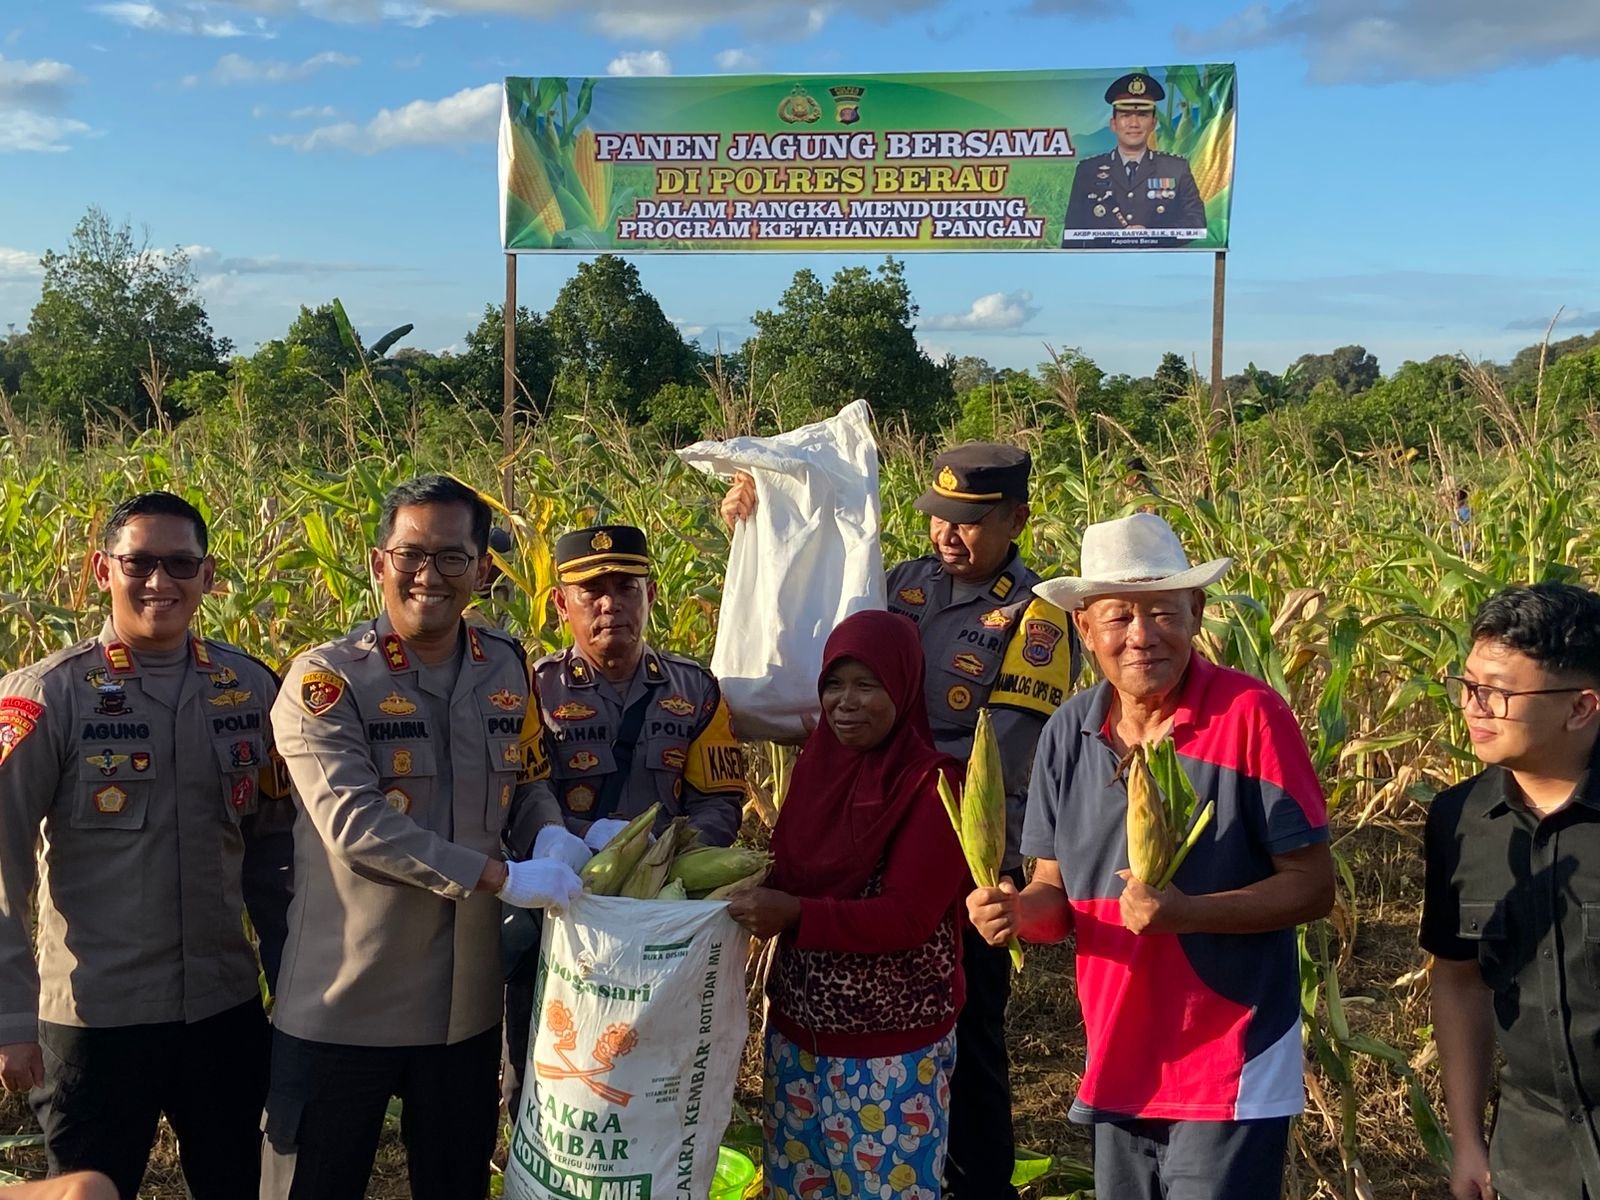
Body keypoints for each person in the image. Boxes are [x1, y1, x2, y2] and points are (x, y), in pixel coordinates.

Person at [724, 442, 1076, 1198]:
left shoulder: (1037, 614)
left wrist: (909, 781)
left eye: (971, 521)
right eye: (939, 516)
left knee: (970, 1038)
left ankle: (977, 1185)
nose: (949, 533)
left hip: (967, 852)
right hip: (863, 813)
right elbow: (812, 614)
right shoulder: (901, 584)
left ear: (1017, 518)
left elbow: (1002, 755)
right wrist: (761, 529)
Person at [968, 512, 1334, 1199]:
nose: (1141, 635)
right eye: (1118, 617)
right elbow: (1057, 898)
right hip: (1117, 1060)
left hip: (1229, 1059)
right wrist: (1014, 914)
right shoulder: (1067, 733)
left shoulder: (1251, 717)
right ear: (1084, 628)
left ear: (1195, 612)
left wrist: (1185, 912)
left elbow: (1313, 888)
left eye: (1163, 611)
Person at [262, 475, 588, 1200]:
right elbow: (355, 824)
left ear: (482, 569)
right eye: (410, 555)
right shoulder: (326, 682)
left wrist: (551, 836)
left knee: (454, 1184)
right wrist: (503, 879)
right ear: (379, 563)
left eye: (451, 557)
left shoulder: (505, 665)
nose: (428, 575)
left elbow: (527, 781)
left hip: (463, 1011)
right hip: (346, 1001)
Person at [0, 491, 291, 1200]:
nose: (160, 582)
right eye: (140, 562)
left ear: (208, 576)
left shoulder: (248, 689)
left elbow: (277, 860)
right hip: (97, 1020)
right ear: (103, 569)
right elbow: (1, 864)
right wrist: (10, 1015)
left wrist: (296, 990)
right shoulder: (46, 697)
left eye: (180, 564)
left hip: (221, 1008)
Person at [502, 523, 749, 1116]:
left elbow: (718, 798)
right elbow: (522, 788)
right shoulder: (534, 689)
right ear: (562, 604)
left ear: (651, 596)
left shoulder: (695, 689)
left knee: (648, 1054)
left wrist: (669, 865)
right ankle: (531, 1135)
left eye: (626, 587)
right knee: (545, 1042)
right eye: (592, 592)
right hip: (566, 903)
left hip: (662, 909)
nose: (610, 603)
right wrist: (571, 841)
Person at [726, 610, 968, 1198]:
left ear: (904, 686)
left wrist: (796, 915)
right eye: (834, 684)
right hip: (797, 1038)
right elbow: (790, 869)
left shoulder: (931, 785)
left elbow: (908, 917)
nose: (846, 702)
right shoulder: (816, 767)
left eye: (867, 685)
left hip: (890, 1050)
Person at [1421, 582, 1600, 1200]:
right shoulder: (1457, 820)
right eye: (1468, 686)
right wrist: (1468, 1140)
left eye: (1497, 693)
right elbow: (1459, 979)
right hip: (1531, 1155)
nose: (1474, 707)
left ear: (1580, 708)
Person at [1062, 72, 1206, 242]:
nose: (1134, 124)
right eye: (1125, 115)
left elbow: (1197, 224)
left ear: (1154, 123)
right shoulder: (1088, 170)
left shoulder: (1176, 168)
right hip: (1102, 265)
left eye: (1142, 115)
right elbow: (1072, 234)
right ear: (1113, 124)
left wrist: (1151, 235)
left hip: (1161, 264)